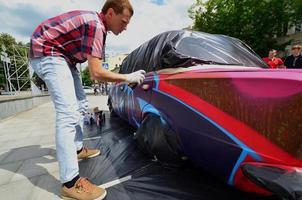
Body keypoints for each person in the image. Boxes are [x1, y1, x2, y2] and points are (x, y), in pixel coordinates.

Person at [29, 0, 145, 199]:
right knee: (67, 113)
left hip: (65, 57)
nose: (126, 27)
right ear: (110, 13)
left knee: (81, 105)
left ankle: (77, 149)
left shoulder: (99, 26)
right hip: (47, 51)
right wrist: (127, 77)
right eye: (124, 21)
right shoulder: (96, 26)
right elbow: (97, 73)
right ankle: (70, 182)